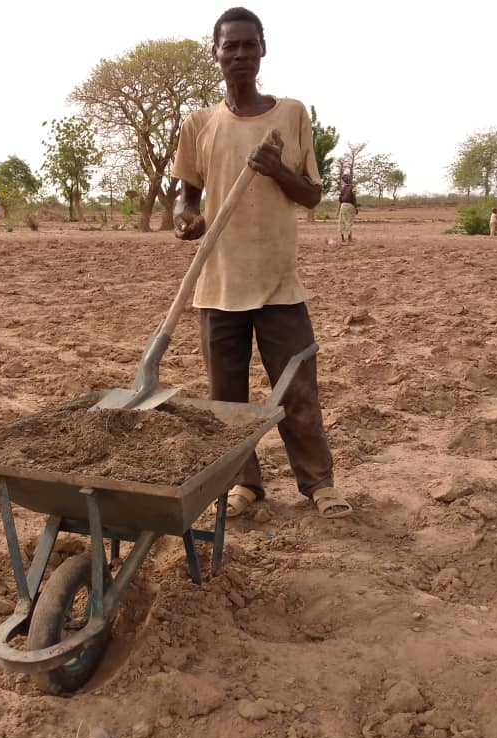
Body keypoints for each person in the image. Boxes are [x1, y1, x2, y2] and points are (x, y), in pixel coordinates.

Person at [172, 6, 352, 519]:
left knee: (297, 390)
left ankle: (318, 484)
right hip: (218, 285)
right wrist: (188, 221)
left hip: (278, 284)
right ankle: (243, 486)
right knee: (226, 403)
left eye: (250, 45)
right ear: (216, 54)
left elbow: (313, 195)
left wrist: (277, 170)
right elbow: (188, 199)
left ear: (263, 49)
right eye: (230, 46)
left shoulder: (290, 114)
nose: (241, 55)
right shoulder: (199, 124)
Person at [337, 172, 358, 242]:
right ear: (350, 180)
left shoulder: (342, 189)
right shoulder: (353, 187)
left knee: (341, 221)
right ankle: (349, 238)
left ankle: (342, 238)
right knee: (349, 221)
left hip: (343, 206)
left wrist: (339, 208)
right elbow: (354, 198)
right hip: (350, 206)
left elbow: (340, 199)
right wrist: (356, 207)